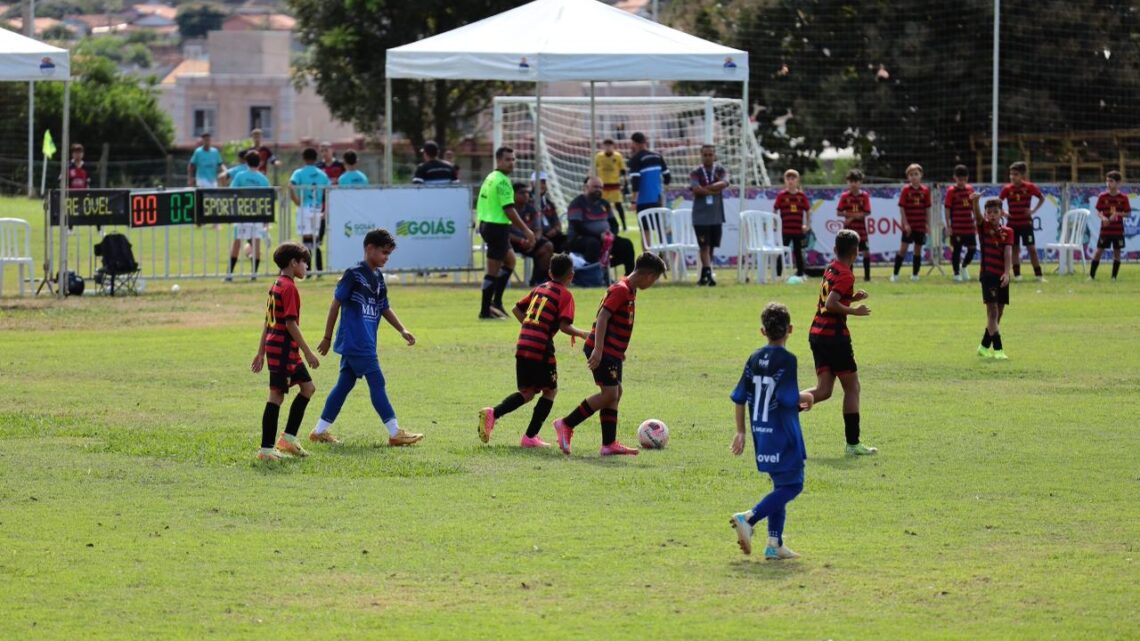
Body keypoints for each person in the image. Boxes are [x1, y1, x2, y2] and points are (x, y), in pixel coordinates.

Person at [310, 229, 425, 446]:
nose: (386, 258)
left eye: (389, 254)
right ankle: (394, 432)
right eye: (383, 252)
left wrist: (402, 329)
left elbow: (384, 307)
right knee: (377, 382)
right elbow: (336, 304)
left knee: (344, 385)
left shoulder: (379, 278)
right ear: (369, 249)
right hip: (357, 341)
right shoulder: (354, 274)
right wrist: (326, 337)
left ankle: (319, 431)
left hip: (364, 341)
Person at [551, 252, 667, 457]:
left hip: (611, 351)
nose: (653, 283)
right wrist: (598, 349)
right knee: (610, 394)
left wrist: (618, 350)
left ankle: (609, 444)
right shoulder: (621, 290)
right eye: (655, 279)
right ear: (648, 275)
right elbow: (603, 317)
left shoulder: (629, 289)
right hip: (602, 349)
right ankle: (566, 423)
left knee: (615, 393)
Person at [478, 253, 590, 448]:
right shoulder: (565, 295)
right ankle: (530, 437)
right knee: (550, 390)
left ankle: (493, 414)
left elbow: (515, 309)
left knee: (528, 392)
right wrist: (582, 334)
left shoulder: (540, 288)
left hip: (523, 344)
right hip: (541, 348)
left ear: (549, 272)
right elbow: (564, 326)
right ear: (571, 276)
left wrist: (531, 326)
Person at [729, 302, 813, 560]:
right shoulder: (787, 360)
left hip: (761, 432)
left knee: (780, 486)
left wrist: (741, 431)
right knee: (794, 485)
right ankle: (749, 518)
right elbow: (788, 398)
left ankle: (774, 544)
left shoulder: (754, 358)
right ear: (790, 329)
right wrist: (807, 396)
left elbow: (740, 397)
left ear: (762, 331)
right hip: (784, 434)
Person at [802, 229, 877, 455]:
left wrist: (851, 297)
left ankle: (782, 406)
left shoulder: (832, 267)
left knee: (824, 390)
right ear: (856, 253)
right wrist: (855, 310)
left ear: (835, 250)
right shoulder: (846, 274)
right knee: (852, 388)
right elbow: (832, 303)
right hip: (834, 336)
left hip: (817, 333)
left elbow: (831, 295)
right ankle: (853, 444)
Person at [250, 242, 319, 461]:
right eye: (304, 262)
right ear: (293, 263)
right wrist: (308, 352)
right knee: (276, 396)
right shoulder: (288, 287)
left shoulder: (276, 284)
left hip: (282, 349)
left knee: (308, 388)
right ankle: (266, 450)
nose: (306, 266)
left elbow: (267, 321)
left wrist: (261, 352)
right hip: (282, 349)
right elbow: (290, 324)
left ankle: (288, 439)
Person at [476, 146, 536, 320]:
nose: (512, 163)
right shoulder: (502, 181)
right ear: (499, 160)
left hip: (488, 224)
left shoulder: (491, 177)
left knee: (510, 261)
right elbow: (508, 209)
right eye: (508, 159)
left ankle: (496, 302)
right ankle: (485, 311)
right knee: (492, 270)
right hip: (496, 227)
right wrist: (526, 230)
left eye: (513, 159)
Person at [566, 177, 636, 276]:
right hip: (580, 238)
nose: (598, 190)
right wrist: (599, 236)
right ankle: (592, 275)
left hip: (604, 238)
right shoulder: (577, 203)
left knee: (626, 244)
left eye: (600, 187)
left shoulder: (604, 204)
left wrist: (612, 234)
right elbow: (577, 226)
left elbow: (614, 224)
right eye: (595, 187)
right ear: (586, 187)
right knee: (593, 244)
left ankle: (629, 278)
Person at [971, 194, 1013, 359]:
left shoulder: (1008, 232)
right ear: (986, 214)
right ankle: (998, 349)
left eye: (996, 212)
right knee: (993, 312)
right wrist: (975, 202)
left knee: (999, 313)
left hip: (1001, 276)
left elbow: (1008, 253)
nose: (992, 215)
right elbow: (977, 216)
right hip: (988, 275)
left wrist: (1007, 273)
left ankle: (983, 346)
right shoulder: (984, 227)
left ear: (1002, 213)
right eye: (989, 212)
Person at [226, 151, 271, 282]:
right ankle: (254, 274)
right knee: (256, 242)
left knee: (237, 242)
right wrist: (266, 220)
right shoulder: (263, 179)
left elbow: (232, 191)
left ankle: (229, 274)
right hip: (257, 214)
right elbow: (266, 199)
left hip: (242, 213)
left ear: (246, 162)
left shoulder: (240, 176)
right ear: (260, 162)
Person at [689, 144, 730, 286]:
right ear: (701, 156)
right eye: (705, 155)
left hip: (716, 215)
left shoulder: (720, 170)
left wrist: (707, 188)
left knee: (711, 247)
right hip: (700, 217)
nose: (707, 157)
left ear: (714, 155)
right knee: (703, 246)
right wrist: (713, 190)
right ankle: (708, 274)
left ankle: (705, 275)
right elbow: (695, 189)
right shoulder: (696, 172)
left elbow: (725, 182)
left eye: (710, 155)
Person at [999, 161, 1045, 282]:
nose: (1012, 177)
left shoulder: (1029, 187)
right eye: (1011, 174)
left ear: (1022, 175)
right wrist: (1003, 212)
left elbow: (1041, 197)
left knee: (1032, 249)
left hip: (1026, 224)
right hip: (1012, 225)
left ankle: (1039, 276)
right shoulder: (1007, 189)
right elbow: (998, 202)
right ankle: (1017, 275)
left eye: (1015, 174)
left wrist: (1033, 210)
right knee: (1014, 249)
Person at [290, 147, 331, 272]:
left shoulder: (299, 172)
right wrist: (326, 209)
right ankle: (319, 269)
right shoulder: (322, 174)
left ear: (303, 158)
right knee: (316, 240)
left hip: (305, 207)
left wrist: (296, 200)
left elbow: (291, 185)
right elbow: (329, 191)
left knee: (306, 240)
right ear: (315, 158)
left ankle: (307, 269)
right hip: (317, 208)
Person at [892, 163, 931, 282]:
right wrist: (905, 224)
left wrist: (927, 224)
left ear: (921, 175)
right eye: (911, 174)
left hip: (920, 225)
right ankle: (895, 274)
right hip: (909, 226)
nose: (914, 176)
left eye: (916, 174)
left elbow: (927, 208)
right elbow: (902, 208)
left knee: (917, 249)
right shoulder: (905, 190)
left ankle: (915, 275)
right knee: (903, 249)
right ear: (908, 177)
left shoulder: (925, 190)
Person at [509, 182, 554, 286]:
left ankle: (538, 280)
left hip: (530, 241)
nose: (526, 195)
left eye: (527, 193)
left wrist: (534, 241)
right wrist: (521, 241)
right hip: (512, 242)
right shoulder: (508, 210)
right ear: (513, 194)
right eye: (522, 193)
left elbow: (538, 229)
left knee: (547, 246)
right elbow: (505, 233)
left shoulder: (531, 209)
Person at [1090, 170, 1130, 281]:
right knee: (1098, 252)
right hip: (1105, 230)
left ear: (1118, 183)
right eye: (1107, 181)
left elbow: (1128, 213)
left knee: (1117, 253)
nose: (1108, 183)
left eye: (1111, 181)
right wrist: (1103, 218)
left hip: (1118, 231)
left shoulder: (1123, 198)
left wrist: (1117, 214)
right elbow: (1098, 211)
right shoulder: (1102, 196)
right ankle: (1091, 276)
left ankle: (1113, 277)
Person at [774, 169, 810, 278]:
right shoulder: (781, 196)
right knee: (782, 251)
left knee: (798, 252)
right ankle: (778, 274)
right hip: (785, 230)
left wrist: (807, 225)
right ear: (785, 181)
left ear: (797, 181)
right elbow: (775, 210)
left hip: (798, 230)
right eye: (788, 178)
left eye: (793, 178)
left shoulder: (801, 196)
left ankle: (800, 274)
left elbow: (808, 210)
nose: (790, 181)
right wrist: (775, 223)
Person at [837, 169, 872, 282]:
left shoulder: (864, 196)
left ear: (860, 182)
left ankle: (867, 277)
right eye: (851, 181)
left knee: (866, 252)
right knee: (848, 255)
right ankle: (849, 277)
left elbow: (866, 213)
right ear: (848, 182)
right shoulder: (844, 196)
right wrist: (854, 215)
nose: (853, 184)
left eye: (856, 181)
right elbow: (838, 212)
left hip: (861, 231)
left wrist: (850, 217)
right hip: (849, 231)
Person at [944, 165, 977, 282]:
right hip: (957, 227)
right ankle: (956, 273)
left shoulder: (970, 190)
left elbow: (974, 207)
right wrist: (948, 226)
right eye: (959, 179)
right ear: (955, 178)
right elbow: (947, 209)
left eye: (964, 179)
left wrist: (977, 221)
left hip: (969, 226)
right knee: (957, 250)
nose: (961, 182)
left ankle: (964, 267)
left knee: (973, 249)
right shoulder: (951, 191)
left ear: (967, 178)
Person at [628, 132, 671, 218]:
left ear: (635, 143)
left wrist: (634, 202)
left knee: (646, 230)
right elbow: (667, 177)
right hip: (658, 200)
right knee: (659, 228)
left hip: (643, 201)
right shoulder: (658, 156)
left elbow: (635, 182)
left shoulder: (636, 159)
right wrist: (663, 192)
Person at [594, 138, 629, 231]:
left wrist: (625, 183)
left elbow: (623, 171)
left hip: (615, 185)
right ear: (603, 146)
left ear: (613, 146)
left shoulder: (618, 156)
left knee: (618, 205)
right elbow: (594, 169)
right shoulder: (599, 156)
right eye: (606, 145)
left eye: (610, 145)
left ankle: (624, 226)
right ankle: (603, 225)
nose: (608, 147)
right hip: (603, 186)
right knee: (602, 206)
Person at [533, 174, 567, 253]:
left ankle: (564, 264)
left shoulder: (549, 204)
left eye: (544, 183)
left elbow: (558, 224)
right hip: (536, 236)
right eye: (539, 182)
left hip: (551, 235)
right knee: (545, 245)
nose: (542, 185)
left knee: (567, 241)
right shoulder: (528, 202)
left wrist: (555, 230)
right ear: (532, 183)